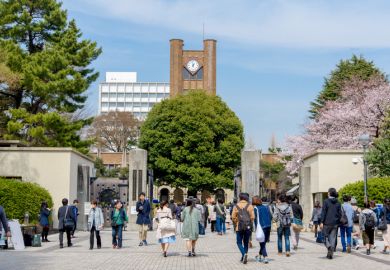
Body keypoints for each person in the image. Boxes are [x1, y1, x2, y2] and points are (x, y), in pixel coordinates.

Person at [232, 193, 255, 264]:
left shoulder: (236, 206)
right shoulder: (250, 206)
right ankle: (244, 256)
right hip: (247, 226)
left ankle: (243, 254)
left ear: (240, 198)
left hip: (239, 226)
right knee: (246, 242)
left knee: (239, 242)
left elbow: (233, 217)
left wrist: (237, 221)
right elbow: (252, 217)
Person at [320, 188, 341, 259]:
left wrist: (321, 221)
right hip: (335, 223)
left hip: (327, 223)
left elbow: (323, 212)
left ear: (329, 193)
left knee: (324, 237)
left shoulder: (326, 201)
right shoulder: (338, 202)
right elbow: (340, 214)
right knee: (333, 238)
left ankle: (329, 247)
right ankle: (330, 253)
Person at [253, 196, 272, 264]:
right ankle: (259, 255)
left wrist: (256, 229)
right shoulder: (266, 207)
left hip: (261, 227)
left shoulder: (255, 208)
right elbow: (270, 216)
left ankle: (265, 257)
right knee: (264, 242)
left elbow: (255, 219)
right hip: (268, 225)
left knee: (262, 243)